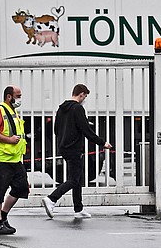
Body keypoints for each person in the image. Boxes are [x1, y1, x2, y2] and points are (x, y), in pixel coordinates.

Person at [42, 84, 112, 219]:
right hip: (74, 149)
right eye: (85, 96)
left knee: (78, 178)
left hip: (64, 147)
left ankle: (78, 209)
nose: (84, 99)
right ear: (81, 94)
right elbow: (86, 130)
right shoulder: (78, 109)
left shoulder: (61, 109)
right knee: (74, 180)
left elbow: (56, 130)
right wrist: (102, 143)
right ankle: (51, 199)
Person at [0, 85, 28, 235]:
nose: (20, 99)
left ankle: (3, 216)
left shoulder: (12, 112)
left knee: (21, 187)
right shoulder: (0, 110)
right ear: (9, 97)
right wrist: (9, 140)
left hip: (14, 159)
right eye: (18, 96)